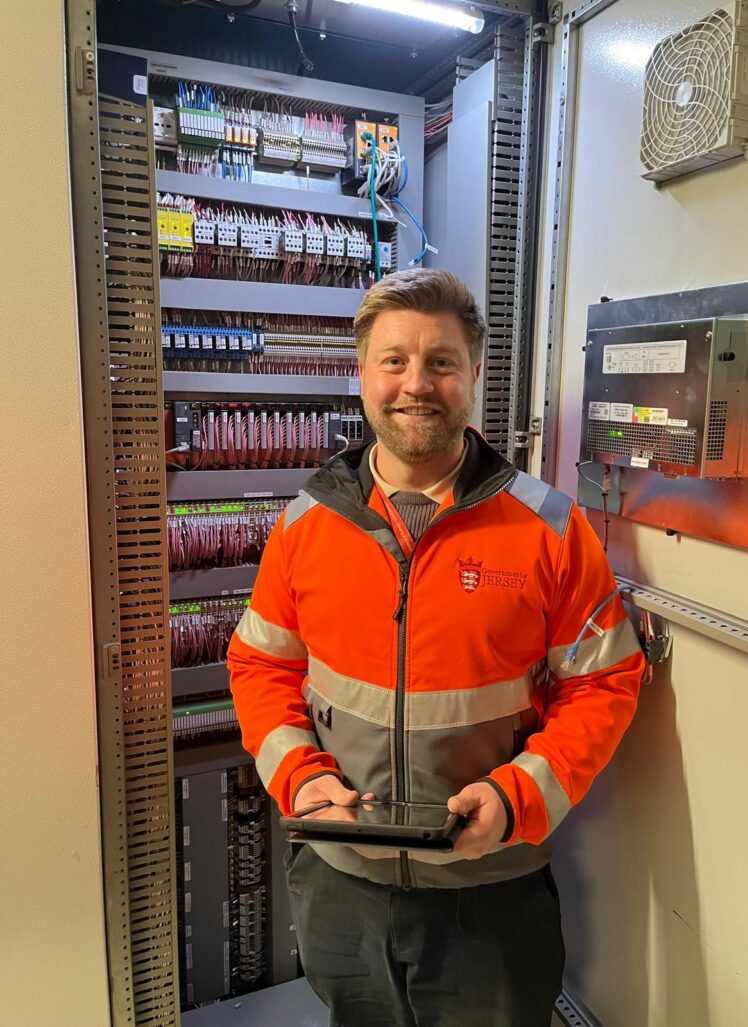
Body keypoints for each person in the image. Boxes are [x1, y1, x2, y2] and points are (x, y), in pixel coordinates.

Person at [228, 269, 645, 1027]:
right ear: (361, 373)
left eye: (441, 362)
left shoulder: (550, 529)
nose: (415, 384)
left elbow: (607, 681)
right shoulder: (304, 527)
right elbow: (261, 666)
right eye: (394, 360)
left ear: (474, 373)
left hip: (490, 892)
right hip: (340, 883)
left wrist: (518, 797)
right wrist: (297, 773)